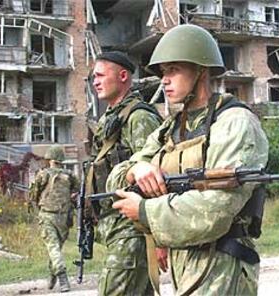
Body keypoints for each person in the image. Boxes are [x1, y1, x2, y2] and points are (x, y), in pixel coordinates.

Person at [108, 24, 269, 295]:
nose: (164, 80)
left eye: (174, 70)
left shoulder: (234, 123)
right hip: (184, 263)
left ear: (201, 71)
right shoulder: (171, 128)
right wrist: (137, 169)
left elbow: (217, 208)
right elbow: (115, 181)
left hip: (223, 264)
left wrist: (147, 212)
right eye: (163, 72)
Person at [87, 51, 162, 295]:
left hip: (133, 228)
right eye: (93, 77)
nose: (95, 81)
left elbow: (155, 176)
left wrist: (158, 237)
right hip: (117, 226)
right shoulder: (111, 117)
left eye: (100, 75)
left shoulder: (139, 117)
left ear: (122, 76)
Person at [31, 145, 79, 293]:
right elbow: (76, 192)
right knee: (56, 248)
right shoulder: (70, 175)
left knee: (53, 248)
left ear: (50, 158)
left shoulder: (42, 174)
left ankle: (62, 278)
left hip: (47, 215)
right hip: (64, 217)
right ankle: (53, 276)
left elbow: (33, 194)